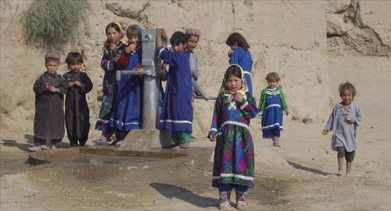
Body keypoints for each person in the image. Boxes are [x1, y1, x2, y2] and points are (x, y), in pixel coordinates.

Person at [208, 64, 259, 210]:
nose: (233, 84)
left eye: (236, 80)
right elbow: (216, 116)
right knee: (225, 167)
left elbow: (254, 113)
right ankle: (224, 199)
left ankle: (241, 199)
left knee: (241, 167)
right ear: (225, 81)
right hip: (225, 138)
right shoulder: (221, 98)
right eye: (230, 80)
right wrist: (213, 131)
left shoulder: (247, 97)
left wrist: (241, 101)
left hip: (242, 139)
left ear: (242, 80)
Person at [156, 29, 193, 151]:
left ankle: (184, 141)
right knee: (174, 113)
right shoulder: (179, 56)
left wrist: (158, 39)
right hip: (175, 91)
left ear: (184, 45)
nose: (176, 48)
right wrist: (166, 39)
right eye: (174, 45)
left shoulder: (180, 56)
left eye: (179, 45)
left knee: (180, 113)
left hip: (180, 92)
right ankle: (177, 141)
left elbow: (164, 53)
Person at [108, 24, 143, 146]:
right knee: (120, 107)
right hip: (123, 83)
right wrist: (126, 53)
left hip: (134, 85)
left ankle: (131, 137)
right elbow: (120, 64)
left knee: (132, 108)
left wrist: (139, 68)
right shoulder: (125, 49)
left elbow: (145, 64)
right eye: (130, 38)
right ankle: (120, 136)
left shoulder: (142, 51)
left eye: (135, 37)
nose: (133, 40)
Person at [94, 22, 127, 143]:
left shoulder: (124, 48)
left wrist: (115, 58)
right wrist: (114, 58)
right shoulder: (107, 49)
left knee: (119, 108)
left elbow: (122, 64)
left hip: (121, 84)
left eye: (114, 33)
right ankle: (105, 134)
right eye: (109, 33)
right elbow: (104, 64)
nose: (112, 36)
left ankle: (120, 137)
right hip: (109, 84)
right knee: (107, 106)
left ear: (120, 34)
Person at [28, 53, 68, 152]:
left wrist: (57, 90)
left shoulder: (60, 78)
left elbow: (65, 89)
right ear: (46, 65)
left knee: (56, 124)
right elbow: (35, 88)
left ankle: (53, 144)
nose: (52, 68)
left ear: (58, 66)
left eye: (54, 66)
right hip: (43, 107)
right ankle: (38, 145)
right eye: (50, 65)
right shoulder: (41, 78)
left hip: (56, 108)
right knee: (41, 124)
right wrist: (44, 88)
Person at [323, 82, 363, 177]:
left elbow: (360, 117)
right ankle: (340, 169)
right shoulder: (338, 107)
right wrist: (327, 128)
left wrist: (354, 120)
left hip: (350, 136)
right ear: (341, 96)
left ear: (352, 96)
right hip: (339, 134)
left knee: (350, 154)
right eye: (344, 95)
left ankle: (348, 172)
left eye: (349, 95)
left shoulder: (355, 108)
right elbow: (331, 118)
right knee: (341, 151)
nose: (347, 97)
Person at [63, 52, 93, 147]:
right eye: (72, 64)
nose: (75, 67)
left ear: (81, 64)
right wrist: (68, 85)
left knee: (83, 120)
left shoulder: (83, 76)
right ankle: (73, 141)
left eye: (77, 64)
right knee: (70, 120)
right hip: (70, 104)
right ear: (68, 65)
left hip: (81, 104)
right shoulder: (66, 76)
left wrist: (81, 85)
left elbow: (89, 85)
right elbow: (61, 87)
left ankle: (83, 141)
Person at [258, 72, 289, 147]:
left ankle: (276, 142)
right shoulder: (264, 92)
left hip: (277, 112)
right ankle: (267, 142)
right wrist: (259, 110)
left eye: (273, 82)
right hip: (268, 112)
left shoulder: (279, 91)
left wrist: (286, 108)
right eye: (270, 82)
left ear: (277, 82)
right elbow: (261, 102)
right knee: (268, 126)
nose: (272, 83)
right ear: (267, 82)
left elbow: (283, 100)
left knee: (276, 126)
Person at [185, 28, 201, 142]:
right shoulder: (182, 53)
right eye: (191, 41)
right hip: (183, 86)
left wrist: (196, 73)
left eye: (195, 42)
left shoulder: (194, 55)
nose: (193, 44)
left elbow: (197, 69)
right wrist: (190, 72)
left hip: (191, 86)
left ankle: (188, 133)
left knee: (189, 110)